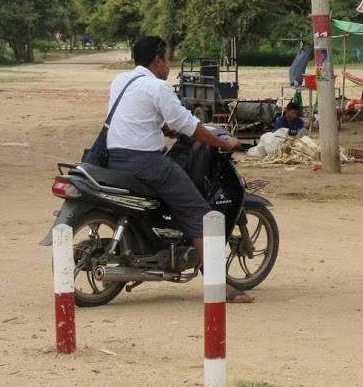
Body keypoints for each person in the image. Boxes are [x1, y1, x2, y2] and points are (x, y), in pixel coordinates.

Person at [105, 36, 253, 303]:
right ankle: (219, 284)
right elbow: (189, 125)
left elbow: (139, 117)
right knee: (198, 212)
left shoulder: (121, 81)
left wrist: (165, 127)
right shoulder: (158, 88)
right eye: (168, 59)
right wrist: (223, 142)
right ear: (158, 60)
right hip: (146, 163)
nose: (170, 65)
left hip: (115, 158)